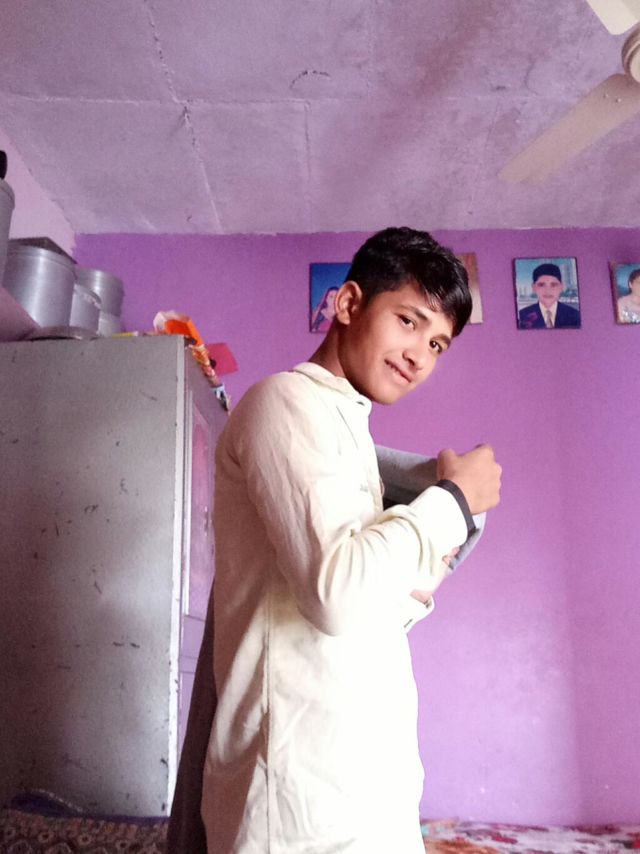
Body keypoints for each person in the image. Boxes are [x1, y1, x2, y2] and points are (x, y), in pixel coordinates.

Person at [187, 227, 502, 854]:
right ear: (350, 303)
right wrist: (454, 501)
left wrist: (426, 561)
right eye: (408, 321)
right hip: (295, 810)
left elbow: (363, 612)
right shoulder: (285, 402)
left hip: (363, 796)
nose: (419, 355)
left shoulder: (350, 438)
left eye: (437, 343)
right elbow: (336, 595)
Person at [518, 262, 581, 329]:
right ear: (534, 288)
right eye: (541, 285)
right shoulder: (522, 316)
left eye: (553, 285)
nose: (548, 291)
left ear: (561, 287)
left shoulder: (575, 315)